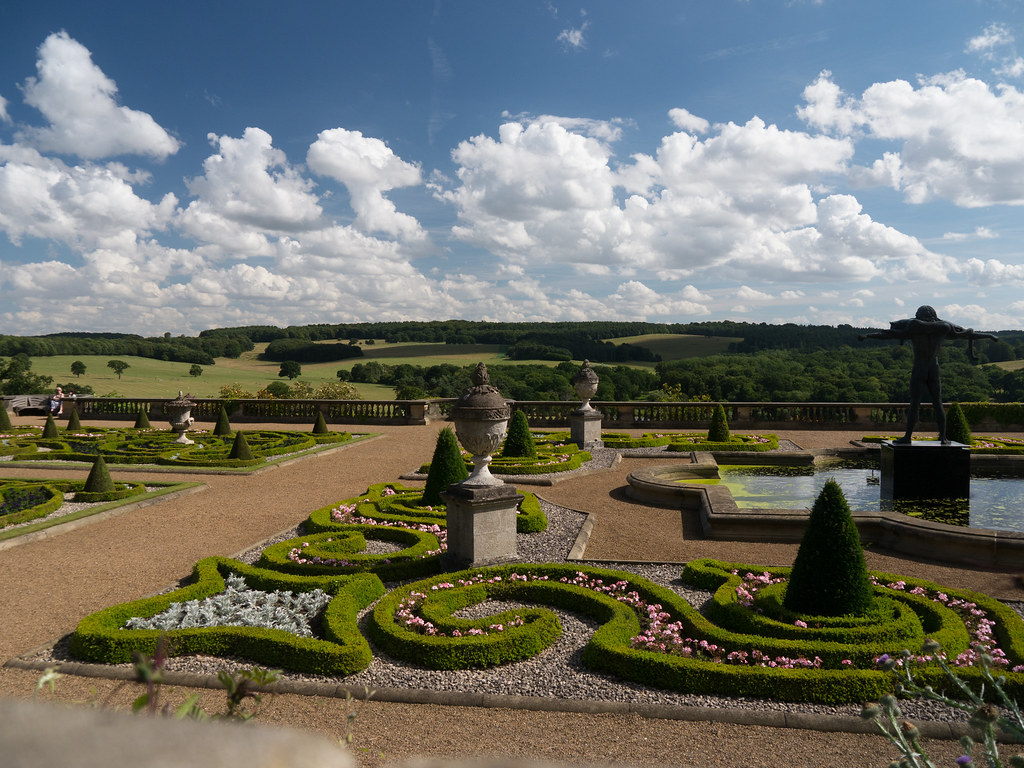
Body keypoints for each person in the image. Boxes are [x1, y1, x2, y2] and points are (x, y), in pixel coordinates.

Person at [859, 306, 996, 444]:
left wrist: (867, 336)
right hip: (933, 367)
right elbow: (968, 334)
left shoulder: (914, 327)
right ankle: (943, 437)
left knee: (915, 403)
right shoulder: (943, 327)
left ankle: (907, 437)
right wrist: (990, 336)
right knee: (938, 402)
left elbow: (888, 334)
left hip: (920, 367)